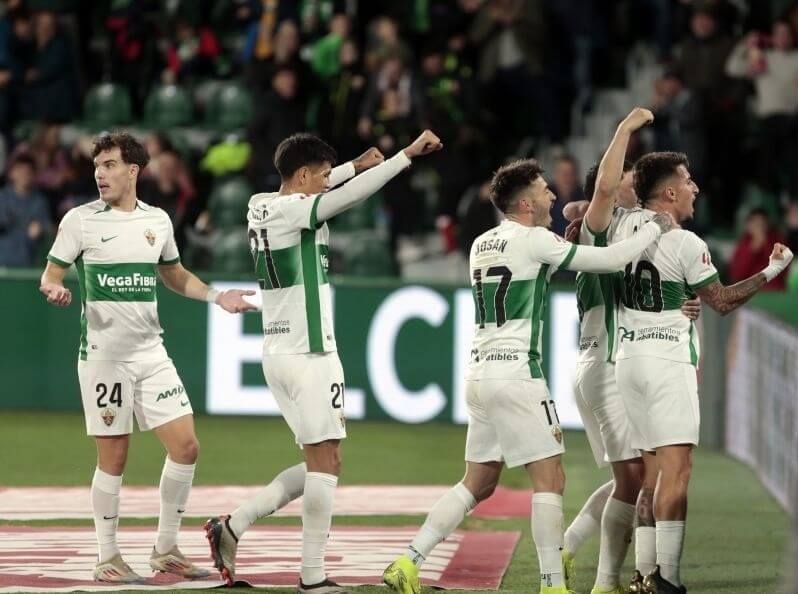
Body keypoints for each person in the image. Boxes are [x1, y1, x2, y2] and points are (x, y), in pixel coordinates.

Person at [381, 158, 676, 594]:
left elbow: (540, 255)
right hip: (517, 374)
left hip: (479, 374)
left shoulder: (482, 243)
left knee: (478, 482)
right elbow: (611, 258)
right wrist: (655, 228)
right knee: (550, 479)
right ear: (524, 202)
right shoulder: (536, 240)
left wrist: (564, 239)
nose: (552, 195)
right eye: (543, 190)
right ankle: (552, 585)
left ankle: (408, 561)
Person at [204, 130, 444, 593]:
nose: (325, 183)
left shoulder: (259, 204)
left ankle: (233, 525)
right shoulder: (298, 210)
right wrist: (404, 157)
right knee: (326, 462)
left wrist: (353, 163)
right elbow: (346, 197)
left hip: (277, 353)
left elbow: (327, 186)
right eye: (321, 176)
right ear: (301, 175)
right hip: (310, 352)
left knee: (325, 462)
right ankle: (312, 577)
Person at [39, 132, 257, 584]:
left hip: (150, 351)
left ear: (133, 171)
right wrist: (55, 288)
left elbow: (173, 274)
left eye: (110, 165)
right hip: (105, 357)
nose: (100, 173)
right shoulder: (80, 221)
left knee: (186, 446)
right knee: (114, 456)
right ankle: (107, 557)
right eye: (97, 165)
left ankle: (166, 548)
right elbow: (51, 274)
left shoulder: (157, 220)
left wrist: (217, 296)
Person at [611, 151, 793, 593]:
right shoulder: (687, 243)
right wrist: (772, 269)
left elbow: (582, 212)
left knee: (652, 476)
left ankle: (644, 576)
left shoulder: (620, 228)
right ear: (670, 192)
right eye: (688, 181)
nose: (695, 189)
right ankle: (668, 579)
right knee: (677, 472)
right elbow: (723, 301)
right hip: (666, 363)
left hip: (628, 361)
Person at [558, 111, 700, 594]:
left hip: (599, 360)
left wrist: (685, 300)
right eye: (626, 178)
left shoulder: (619, 229)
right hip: (608, 361)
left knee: (636, 474)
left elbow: (575, 209)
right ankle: (612, 579)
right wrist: (624, 128)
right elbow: (583, 206)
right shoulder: (610, 229)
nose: (632, 186)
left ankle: (579, 551)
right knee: (641, 477)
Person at [0, 153, 51, 267]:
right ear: (12, 173)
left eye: (28, 172)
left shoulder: (39, 201)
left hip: (27, 261)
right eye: (20, 170)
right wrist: (25, 227)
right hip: (3, 260)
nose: (24, 174)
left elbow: (46, 229)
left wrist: (40, 228)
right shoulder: (2, 198)